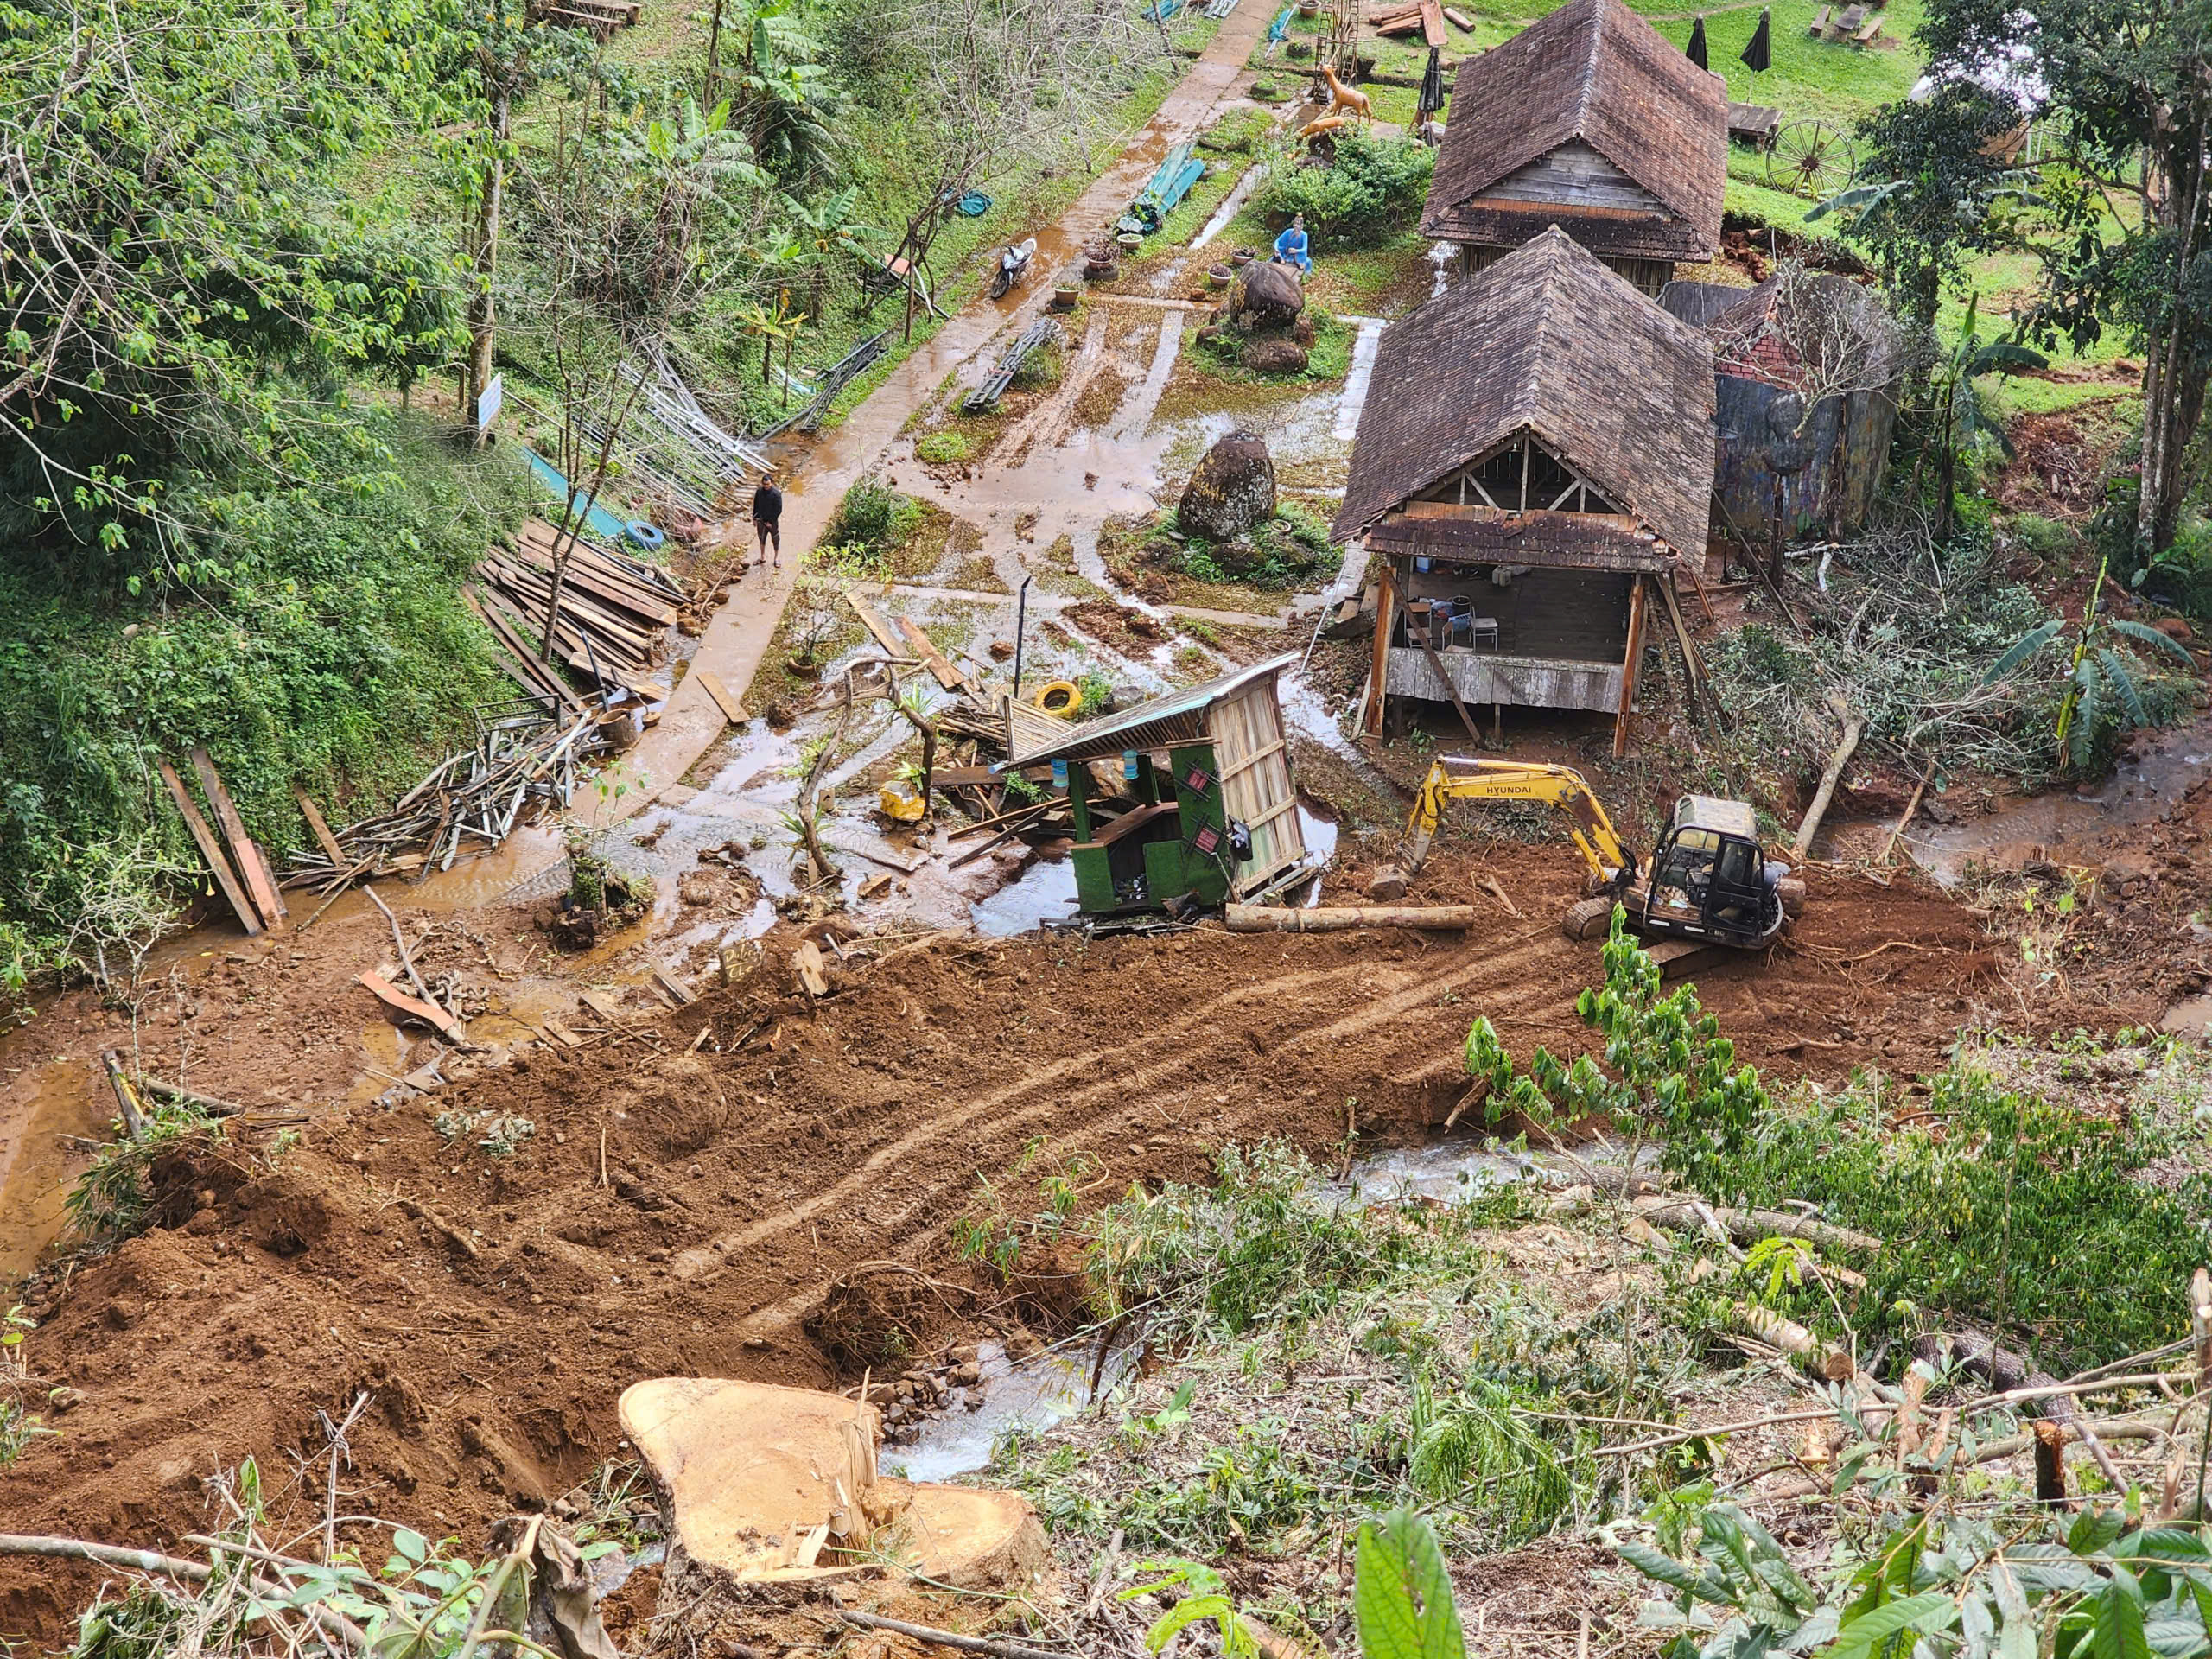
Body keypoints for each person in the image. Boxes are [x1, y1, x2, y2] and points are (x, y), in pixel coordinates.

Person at [751, 470, 784, 569]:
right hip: (761, 520)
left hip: (772, 522)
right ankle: (762, 557)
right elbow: (756, 505)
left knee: (775, 539)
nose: (766, 486)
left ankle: (776, 558)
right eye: (764, 484)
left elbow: (778, 510)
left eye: (768, 484)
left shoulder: (776, 494)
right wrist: (754, 518)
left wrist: (770, 521)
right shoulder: (759, 492)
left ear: (772, 483)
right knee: (762, 538)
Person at [1272, 213, 1311, 277]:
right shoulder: (1288, 232)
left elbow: (1304, 249)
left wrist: (1296, 250)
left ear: (1302, 226)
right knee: (1277, 253)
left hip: (1297, 256)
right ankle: (1281, 259)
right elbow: (1277, 241)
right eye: (1295, 223)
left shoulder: (1304, 235)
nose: (1296, 226)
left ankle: (1300, 265)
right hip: (1286, 254)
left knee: (1306, 261)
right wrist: (1276, 248)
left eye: (1298, 224)